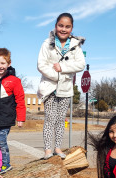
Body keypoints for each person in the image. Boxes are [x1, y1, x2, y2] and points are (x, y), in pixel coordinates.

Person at [37, 12, 86, 160]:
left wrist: (63, 68)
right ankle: (47, 150)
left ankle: (57, 147)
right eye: (61, 25)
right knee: (50, 118)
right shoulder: (47, 43)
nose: (63, 29)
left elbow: (80, 64)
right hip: (49, 87)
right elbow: (41, 65)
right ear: (56, 26)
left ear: (71, 28)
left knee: (60, 120)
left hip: (66, 89)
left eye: (67, 26)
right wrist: (57, 76)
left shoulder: (75, 45)